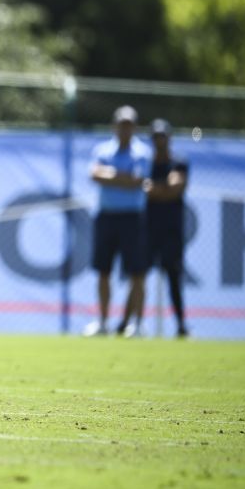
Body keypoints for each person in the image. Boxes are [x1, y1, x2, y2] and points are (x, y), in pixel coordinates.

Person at [84, 105, 152, 337]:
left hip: (132, 218)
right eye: (121, 124)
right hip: (106, 217)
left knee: (137, 273)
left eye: (129, 125)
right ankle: (103, 322)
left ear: (134, 127)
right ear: (115, 126)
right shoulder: (102, 149)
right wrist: (121, 177)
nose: (125, 129)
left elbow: (137, 181)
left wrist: (110, 175)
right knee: (103, 271)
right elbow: (94, 174)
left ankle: (138, 324)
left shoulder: (142, 152)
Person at [145, 118, 190, 337]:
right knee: (138, 276)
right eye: (156, 137)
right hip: (148, 228)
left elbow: (175, 189)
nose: (159, 140)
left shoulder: (178, 162)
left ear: (169, 137)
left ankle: (181, 325)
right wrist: (161, 190)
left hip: (172, 230)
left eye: (163, 136)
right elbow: (161, 189)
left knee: (174, 279)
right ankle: (133, 323)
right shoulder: (145, 163)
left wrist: (154, 189)